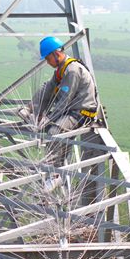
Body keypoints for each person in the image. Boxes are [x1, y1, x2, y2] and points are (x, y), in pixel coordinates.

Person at [19, 36, 98, 169]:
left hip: (81, 112)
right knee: (46, 89)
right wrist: (32, 107)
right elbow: (49, 87)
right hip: (71, 109)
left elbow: (64, 101)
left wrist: (49, 118)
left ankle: (54, 171)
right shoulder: (62, 69)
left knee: (54, 132)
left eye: (48, 59)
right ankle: (30, 110)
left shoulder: (72, 70)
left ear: (56, 54)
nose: (48, 62)